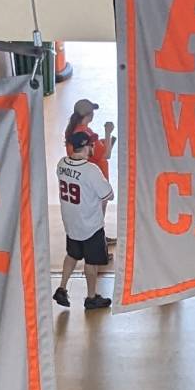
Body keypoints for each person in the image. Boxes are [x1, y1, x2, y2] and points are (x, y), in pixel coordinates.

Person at [55, 128, 115, 310]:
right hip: (90, 225)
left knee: (72, 254)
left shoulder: (61, 164)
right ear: (86, 147)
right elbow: (108, 195)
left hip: (71, 222)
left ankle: (62, 287)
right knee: (91, 262)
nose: (93, 148)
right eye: (91, 145)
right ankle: (91, 297)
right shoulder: (91, 170)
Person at [66, 94, 112, 180]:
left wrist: (101, 142)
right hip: (97, 178)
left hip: (82, 177)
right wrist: (108, 132)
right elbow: (106, 155)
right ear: (89, 116)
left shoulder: (71, 130)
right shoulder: (88, 135)